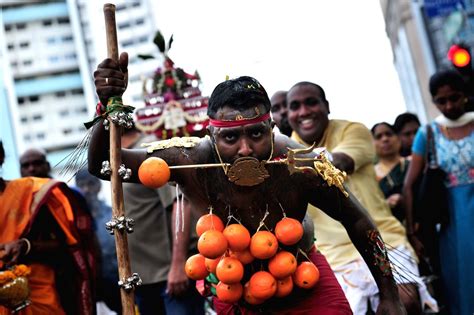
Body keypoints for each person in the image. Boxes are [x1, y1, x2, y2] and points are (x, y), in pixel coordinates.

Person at [88, 53, 406, 314]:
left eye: (256, 134)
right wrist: (108, 105)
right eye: (230, 137)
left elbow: (358, 219)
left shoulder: (300, 162)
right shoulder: (188, 160)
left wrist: (389, 294)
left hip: (304, 281)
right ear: (211, 135)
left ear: (272, 127)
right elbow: (104, 165)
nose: (244, 149)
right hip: (232, 292)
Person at [287, 81, 438, 314]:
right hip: (332, 254)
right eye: (295, 106)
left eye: (311, 102)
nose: (304, 112)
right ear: (288, 115)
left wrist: (287, 162)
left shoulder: (353, 131)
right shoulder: (284, 152)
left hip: (382, 239)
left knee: (406, 304)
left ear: (326, 106)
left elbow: (340, 163)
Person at [403, 69, 474, 315]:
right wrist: (413, 232)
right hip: (454, 217)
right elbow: (409, 184)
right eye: (441, 101)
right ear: (433, 101)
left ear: (465, 95)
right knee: (464, 275)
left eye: (454, 97)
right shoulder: (428, 133)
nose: (449, 105)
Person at [0, 141, 97, 315]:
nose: (32, 168)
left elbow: (67, 246)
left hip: (39, 294)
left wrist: (26, 246)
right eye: (26, 165)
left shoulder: (34, 194)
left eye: (37, 164)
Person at [120, 127, 205, 315]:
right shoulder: (118, 158)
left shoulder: (148, 150)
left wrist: (178, 265)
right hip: (144, 278)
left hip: (169, 276)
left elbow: (180, 202)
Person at [75, 169, 122, 314]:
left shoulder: (112, 213)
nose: (86, 189)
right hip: (90, 284)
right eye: (81, 185)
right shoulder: (75, 218)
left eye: (90, 184)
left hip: (115, 278)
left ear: (98, 186)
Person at [371, 122, 409, 223]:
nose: (385, 139)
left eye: (389, 134)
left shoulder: (412, 164)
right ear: (372, 144)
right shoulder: (370, 175)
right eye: (378, 137)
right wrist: (385, 204)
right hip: (389, 227)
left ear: (398, 138)